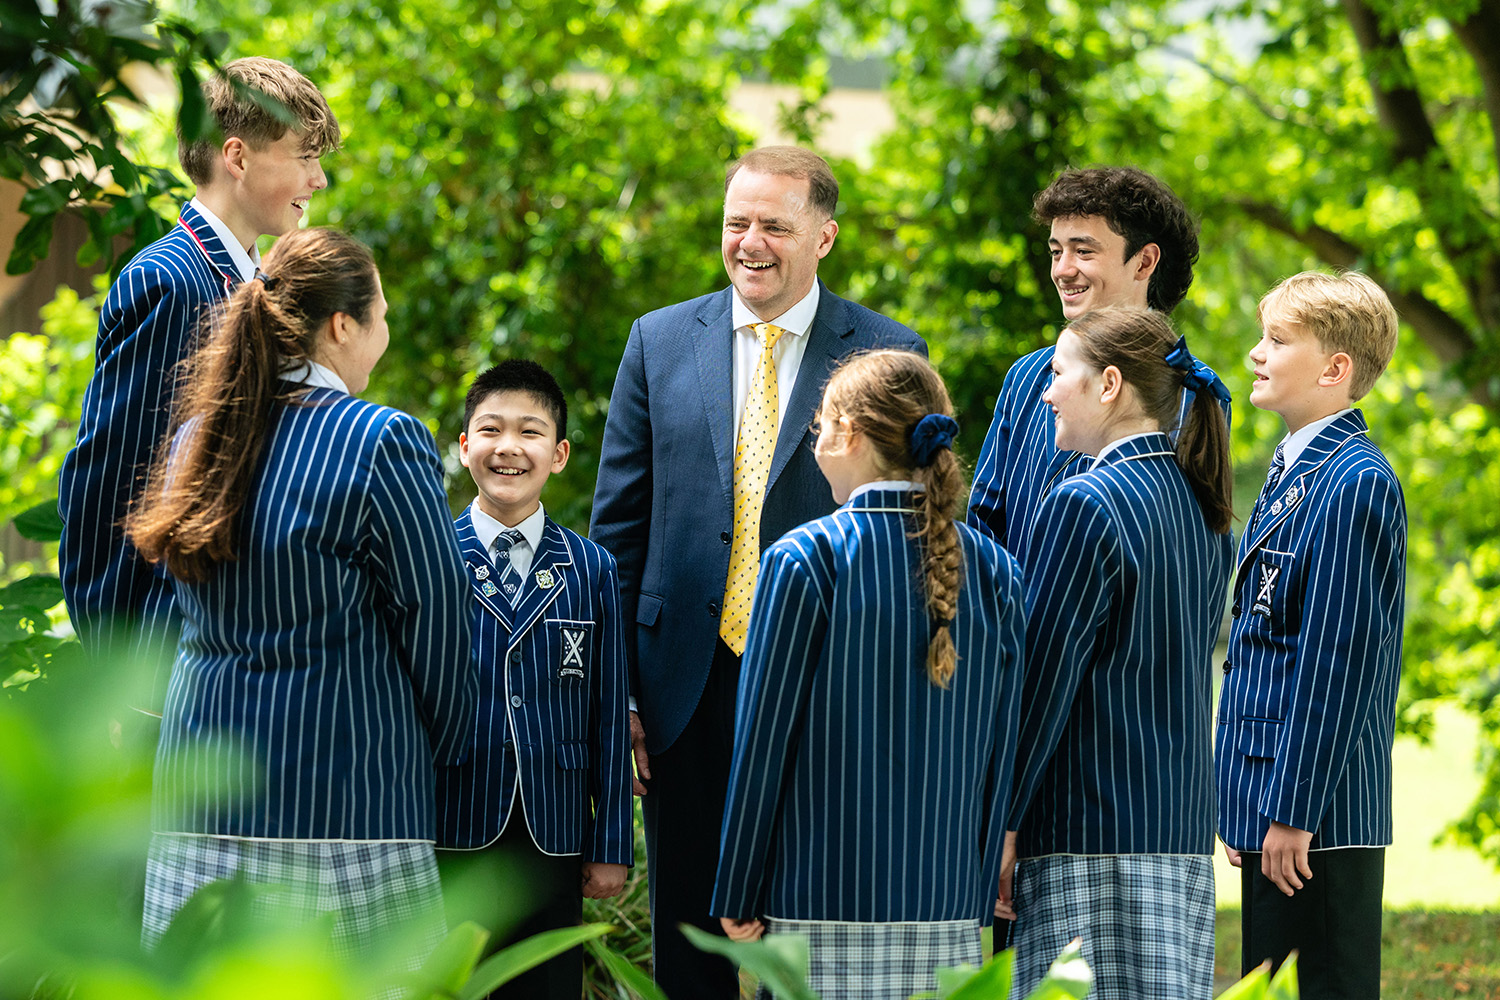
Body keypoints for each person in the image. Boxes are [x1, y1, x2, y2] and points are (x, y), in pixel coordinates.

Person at [589, 146, 925, 997]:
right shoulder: (658, 339)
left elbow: (911, 538)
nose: (751, 242)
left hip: (823, 687)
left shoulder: (888, 350)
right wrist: (620, 689)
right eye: (737, 223)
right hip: (679, 688)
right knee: (691, 935)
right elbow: (618, 530)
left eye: (775, 225)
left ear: (825, 236)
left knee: (806, 930)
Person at [125, 228, 476, 987]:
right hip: (344, 794)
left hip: (199, 786)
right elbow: (437, 621)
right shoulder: (380, 440)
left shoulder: (197, 436)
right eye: (382, 316)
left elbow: (169, 612)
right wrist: (440, 752)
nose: (384, 334)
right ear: (343, 325)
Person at [711, 350, 1025, 999]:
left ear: (850, 433)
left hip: (816, 902)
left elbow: (762, 747)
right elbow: (1004, 748)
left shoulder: (803, 559)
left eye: (820, 424)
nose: (815, 438)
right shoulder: (997, 571)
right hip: (949, 906)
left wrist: (736, 888)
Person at [60, 56, 339, 715]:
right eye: (303, 156)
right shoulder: (170, 283)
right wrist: (121, 688)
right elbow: (110, 488)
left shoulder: (248, 285)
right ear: (237, 156)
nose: (317, 178)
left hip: (229, 659)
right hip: (164, 675)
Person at [998, 306, 1234, 1000]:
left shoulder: (1083, 503)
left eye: (1057, 374)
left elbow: (1041, 686)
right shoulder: (1205, 511)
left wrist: (1003, 824)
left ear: (1108, 385)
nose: (1044, 394)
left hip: (1084, 834)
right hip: (1180, 834)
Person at [1217, 272, 1405, 1000]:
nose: (1257, 355)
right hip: (1278, 807)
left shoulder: (1354, 480)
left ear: (1336, 369)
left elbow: (1335, 660)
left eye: (1278, 340)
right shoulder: (1297, 466)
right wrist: (1249, 800)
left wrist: (1292, 811)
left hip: (1316, 816)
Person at [434, 360, 633, 1000]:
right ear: (465, 447)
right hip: (452, 817)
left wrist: (610, 843)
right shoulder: (432, 555)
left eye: (531, 431)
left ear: (560, 453)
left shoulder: (591, 568)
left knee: (546, 986)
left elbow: (607, 713)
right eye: (490, 429)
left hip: (556, 825)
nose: (510, 448)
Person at [967, 166, 1229, 567]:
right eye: (1056, 251)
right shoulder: (1026, 378)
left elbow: (1203, 556)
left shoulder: (1193, 389)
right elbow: (984, 524)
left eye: (1083, 251)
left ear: (1144, 262)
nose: (1062, 269)